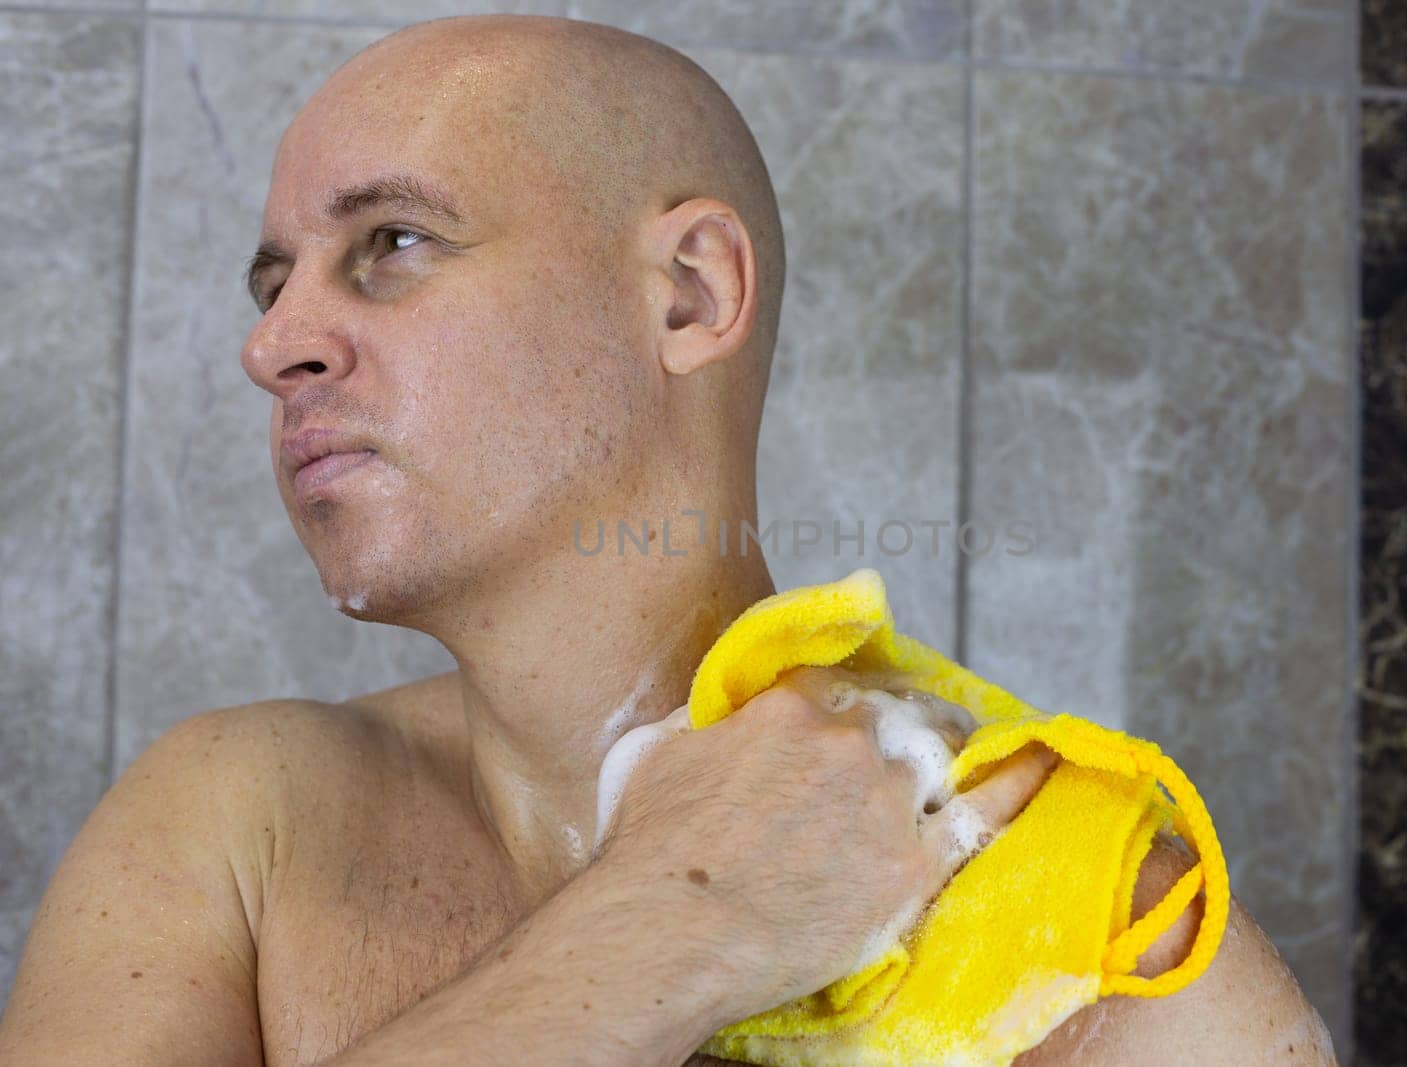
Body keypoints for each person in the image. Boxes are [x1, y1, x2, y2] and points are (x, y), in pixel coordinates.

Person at [0, 14, 1333, 1065]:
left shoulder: (1090, 923)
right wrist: (676, 925)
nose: (272, 342)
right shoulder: (235, 822)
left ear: (691, 296)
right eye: (273, 279)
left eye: (391, 242)